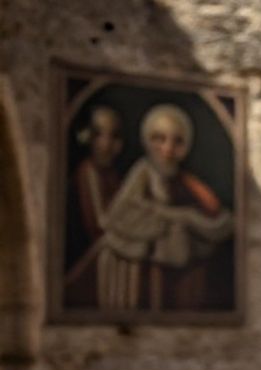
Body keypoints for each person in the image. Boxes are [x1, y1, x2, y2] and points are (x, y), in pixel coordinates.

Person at [99, 104, 233, 310]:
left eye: (177, 142)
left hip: (178, 277)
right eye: (159, 139)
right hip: (140, 272)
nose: (168, 149)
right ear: (148, 141)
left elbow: (212, 215)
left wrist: (194, 219)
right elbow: (119, 214)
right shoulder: (143, 172)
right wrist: (173, 216)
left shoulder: (186, 181)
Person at [64, 106, 124, 307]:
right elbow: (100, 225)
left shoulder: (114, 176)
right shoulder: (87, 172)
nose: (106, 144)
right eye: (99, 135)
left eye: (113, 136)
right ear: (89, 138)